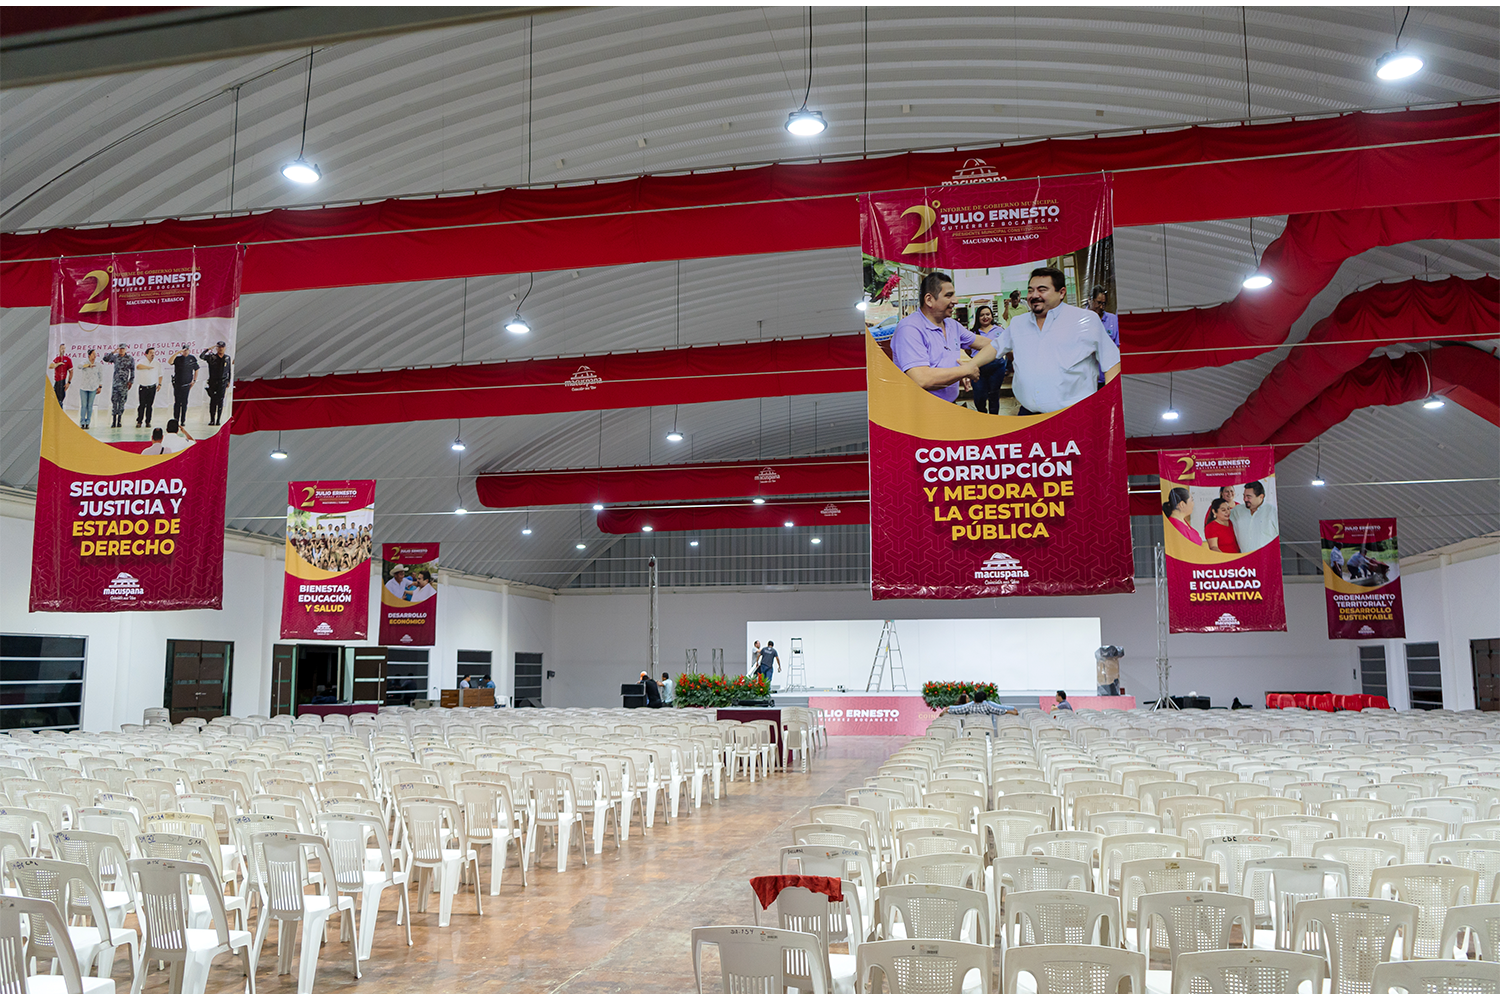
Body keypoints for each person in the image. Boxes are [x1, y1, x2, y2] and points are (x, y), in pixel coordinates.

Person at [996, 267, 1121, 415]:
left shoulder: (1084, 320)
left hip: (1074, 414)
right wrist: (969, 367)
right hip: (1028, 413)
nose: (1034, 295)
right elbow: (994, 346)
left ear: (1061, 292)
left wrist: (1111, 404)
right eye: (1030, 290)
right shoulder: (1019, 323)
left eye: (1042, 289)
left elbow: (1112, 362)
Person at [890, 271, 998, 402]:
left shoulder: (952, 325)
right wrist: (964, 371)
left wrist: (1010, 341)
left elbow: (983, 343)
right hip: (921, 409)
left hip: (949, 404)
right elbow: (922, 378)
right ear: (929, 300)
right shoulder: (910, 328)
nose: (955, 301)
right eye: (949, 295)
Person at [969, 304, 1007, 414]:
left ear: (991, 316)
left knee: (994, 394)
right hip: (978, 368)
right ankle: (983, 414)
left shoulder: (999, 330)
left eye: (987, 314)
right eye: (982, 315)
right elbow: (968, 349)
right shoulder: (973, 333)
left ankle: (994, 419)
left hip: (997, 367)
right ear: (977, 317)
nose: (985, 317)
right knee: (979, 395)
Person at [1228, 480, 1279, 552]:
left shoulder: (1272, 512)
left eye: (1249, 497)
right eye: (1244, 496)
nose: (1245, 499)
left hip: (1265, 559)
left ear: (1261, 497)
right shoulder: (1237, 511)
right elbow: (1219, 518)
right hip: (1244, 559)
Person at [1087, 285, 1121, 386]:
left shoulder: (1112, 319)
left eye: (1104, 303)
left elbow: (1118, 348)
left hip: (1108, 379)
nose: (1101, 307)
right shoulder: (1080, 320)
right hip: (1087, 382)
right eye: (1098, 303)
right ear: (1090, 300)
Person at [938, 692, 1019, 733]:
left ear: (975, 699)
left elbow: (958, 710)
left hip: (971, 730)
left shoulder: (969, 706)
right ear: (983, 700)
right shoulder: (987, 706)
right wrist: (1010, 711)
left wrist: (947, 710)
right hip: (985, 730)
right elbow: (998, 710)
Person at [199, 341, 232, 426]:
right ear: (217, 348)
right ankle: (212, 419)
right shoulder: (212, 357)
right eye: (219, 347)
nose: (221, 348)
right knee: (213, 401)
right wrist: (208, 349)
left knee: (220, 401)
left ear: (224, 348)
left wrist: (228, 381)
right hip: (213, 382)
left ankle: (218, 420)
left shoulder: (227, 358)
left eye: (222, 347)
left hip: (223, 382)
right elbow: (201, 356)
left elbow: (229, 370)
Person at [102, 344, 135, 428]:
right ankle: (114, 421)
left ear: (126, 349)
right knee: (114, 402)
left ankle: (119, 420)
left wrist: (131, 381)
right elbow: (105, 359)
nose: (121, 350)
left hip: (124, 384)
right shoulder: (115, 357)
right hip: (116, 384)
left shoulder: (130, 358)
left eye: (123, 349)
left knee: (122, 403)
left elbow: (132, 370)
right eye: (120, 349)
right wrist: (112, 352)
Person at [168, 345, 199, 425]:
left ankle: (183, 420)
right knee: (177, 402)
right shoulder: (178, 358)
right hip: (178, 384)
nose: (186, 351)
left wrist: (194, 380)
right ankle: (176, 419)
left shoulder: (192, 358)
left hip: (187, 384)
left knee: (184, 403)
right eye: (184, 350)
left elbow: (196, 369)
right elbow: (170, 362)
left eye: (187, 350)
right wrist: (177, 353)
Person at [74, 348, 104, 429]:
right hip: (84, 387)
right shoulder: (84, 362)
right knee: (84, 405)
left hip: (93, 387)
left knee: (90, 405)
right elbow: (79, 366)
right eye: (93, 354)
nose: (95, 356)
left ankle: (88, 422)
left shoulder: (98, 364)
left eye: (95, 354)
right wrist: (88, 365)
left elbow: (100, 376)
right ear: (89, 355)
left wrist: (100, 386)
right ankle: (82, 422)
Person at [134, 347, 162, 428]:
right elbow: (138, 366)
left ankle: (148, 421)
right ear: (146, 354)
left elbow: (160, 375)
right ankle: (139, 421)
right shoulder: (142, 361)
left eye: (153, 353)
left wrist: (160, 384)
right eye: (151, 353)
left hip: (152, 387)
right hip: (143, 387)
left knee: (150, 405)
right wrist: (148, 367)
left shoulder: (157, 363)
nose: (152, 354)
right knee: (142, 405)